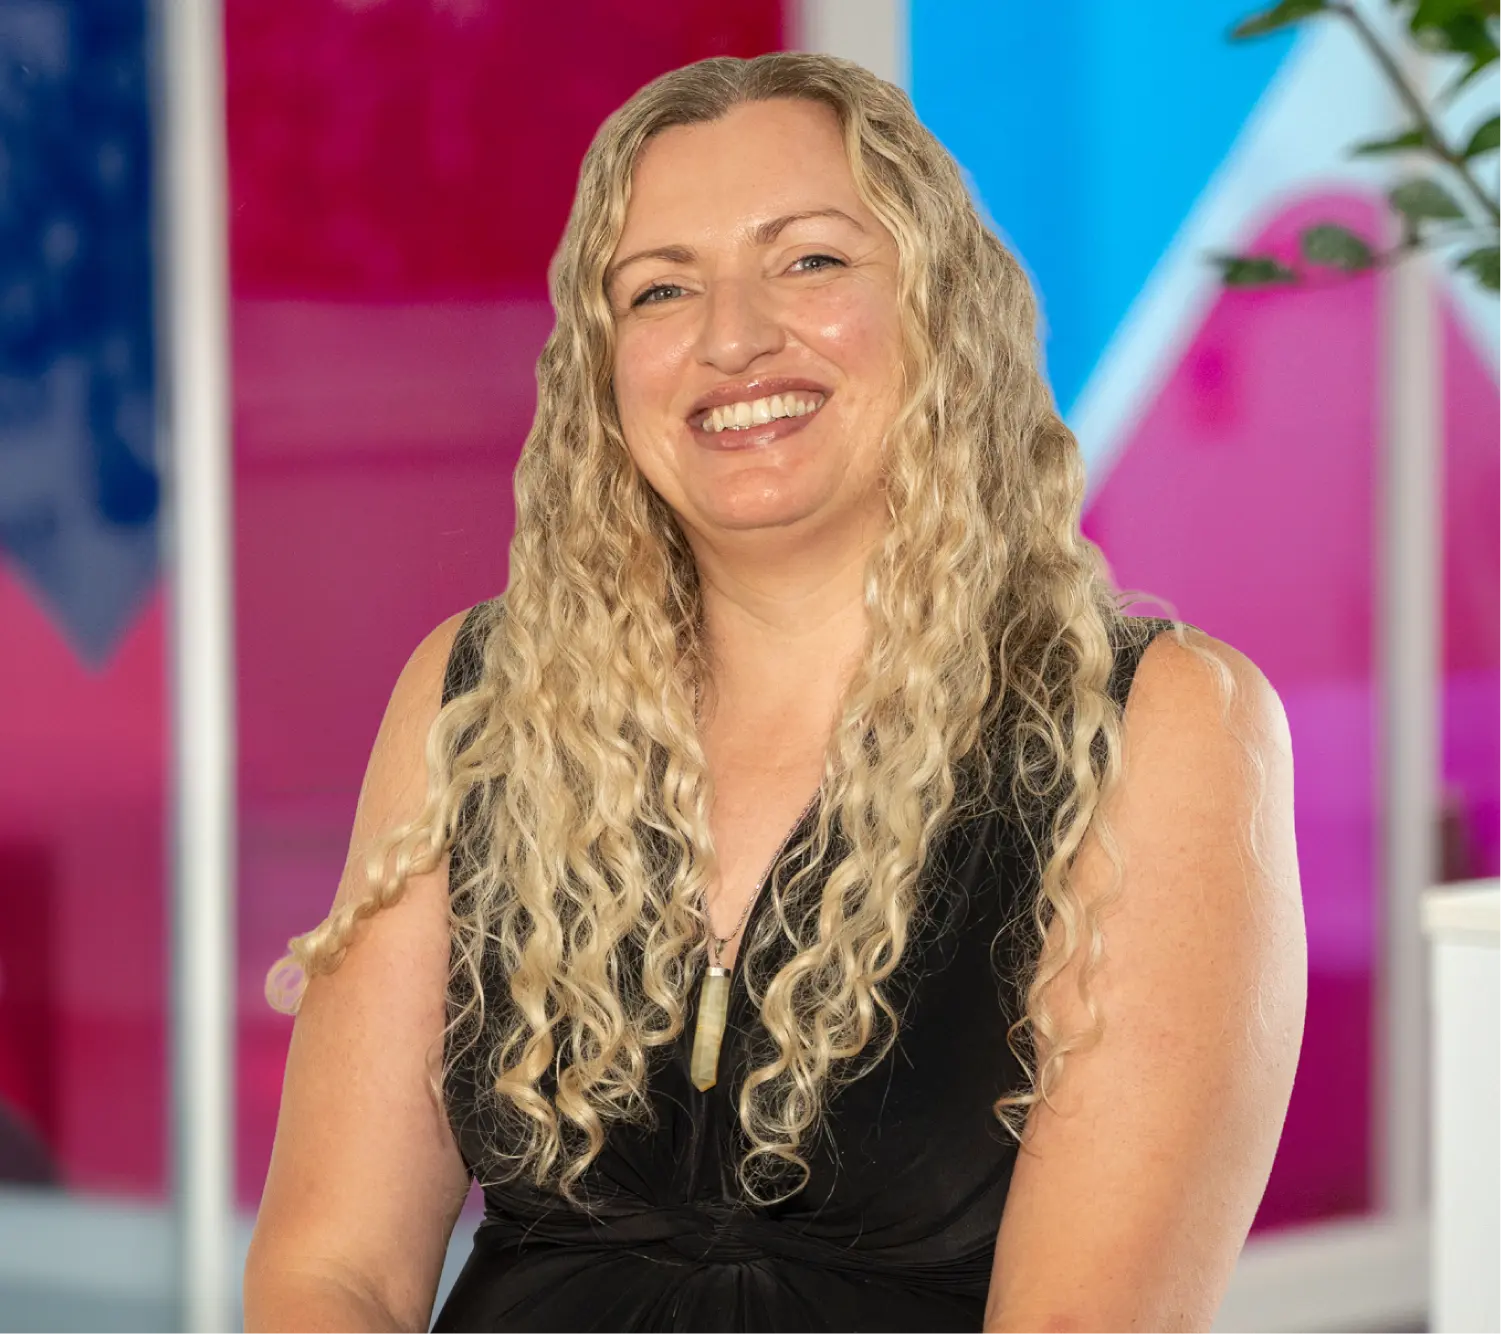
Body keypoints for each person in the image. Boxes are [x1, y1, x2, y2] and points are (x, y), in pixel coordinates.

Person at [243, 52, 1305, 1334]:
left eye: (808, 261)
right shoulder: (482, 700)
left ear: (939, 309)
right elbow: (328, 1271)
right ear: (603, 367)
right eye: (660, 287)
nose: (732, 336)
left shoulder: (1152, 726)